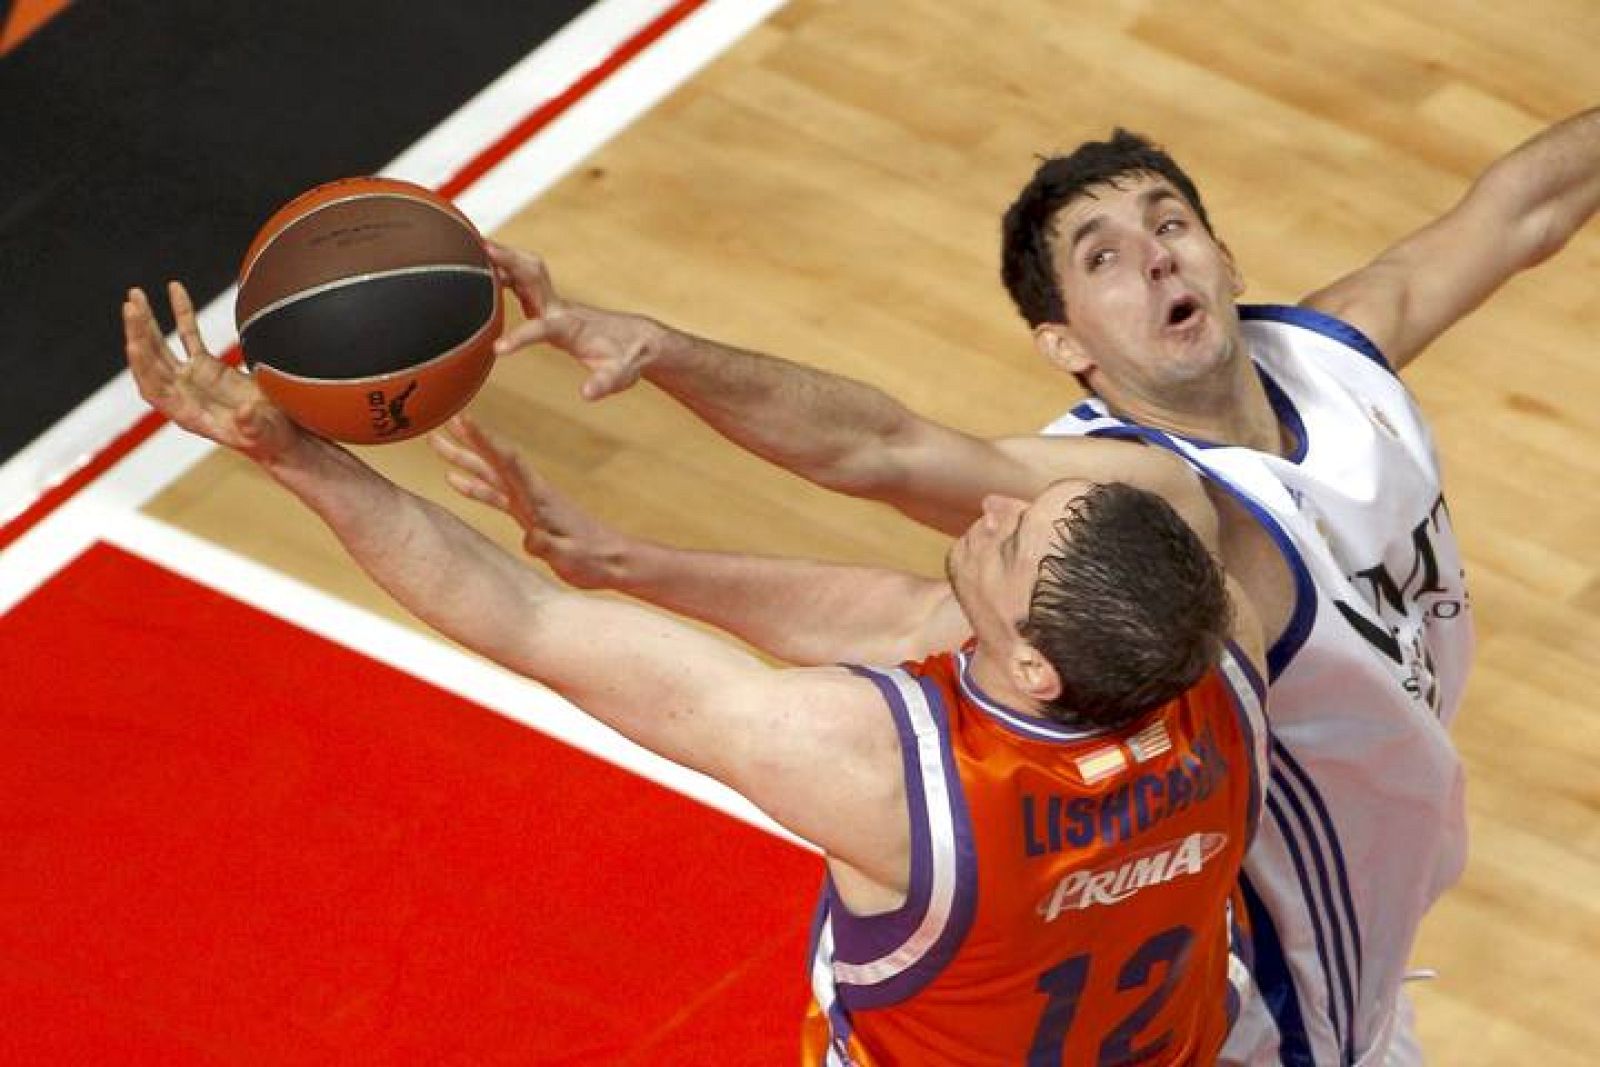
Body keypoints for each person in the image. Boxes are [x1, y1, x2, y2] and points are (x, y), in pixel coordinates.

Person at [481, 107, 1600, 1065]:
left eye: (1170, 223)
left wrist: (628, 562)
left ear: (1225, 258)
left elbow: (1514, 211)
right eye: (1102, 256)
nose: (1156, 255)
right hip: (1279, 998)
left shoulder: (1332, 353)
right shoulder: (1132, 496)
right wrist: (663, 350)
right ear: (1064, 343)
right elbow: (882, 450)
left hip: (1361, 915)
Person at [123, 281, 1269, 1065]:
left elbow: (522, 621)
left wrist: (289, 453)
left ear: (1032, 661)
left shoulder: (877, 771)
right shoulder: (1216, 662)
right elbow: (904, 614)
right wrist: (629, 559)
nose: (997, 504)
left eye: (1015, 535)